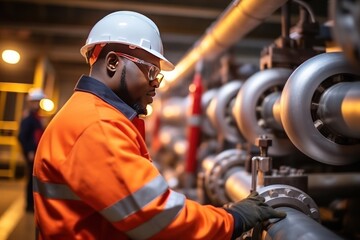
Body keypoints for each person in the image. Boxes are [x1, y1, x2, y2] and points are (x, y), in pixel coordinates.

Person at [33, 11, 286, 239]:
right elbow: (159, 217)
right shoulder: (97, 126)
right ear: (112, 63)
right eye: (151, 72)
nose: (156, 83)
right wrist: (233, 219)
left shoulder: (92, 115)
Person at [18, 88, 45, 212]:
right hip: (31, 153)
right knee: (31, 179)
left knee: (33, 178)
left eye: (38, 102)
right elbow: (22, 136)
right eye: (35, 102)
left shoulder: (36, 117)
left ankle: (31, 203)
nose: (37, 104)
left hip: (35, 152)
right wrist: (29, 151)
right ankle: (29, 205)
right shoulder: (29, 118)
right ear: (31, 102)